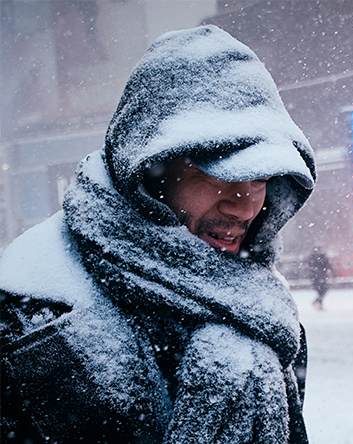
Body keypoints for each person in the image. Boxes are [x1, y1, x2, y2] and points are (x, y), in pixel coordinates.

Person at [0, 25, 315, 444]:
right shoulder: (24, 311)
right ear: (149, 172)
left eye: (260, 180)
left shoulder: (265, 309)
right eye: (215, 175)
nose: (243, 205)